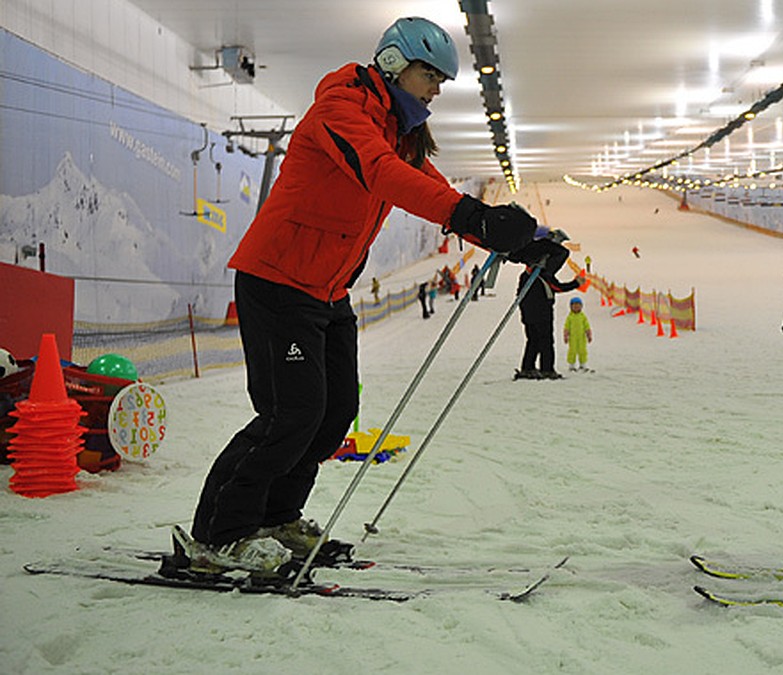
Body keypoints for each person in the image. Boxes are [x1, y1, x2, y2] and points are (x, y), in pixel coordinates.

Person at [180, 16, 568, 576]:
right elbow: (384, 175)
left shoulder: (396, 130)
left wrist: (524, 239)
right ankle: (224, 531)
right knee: (290, 414)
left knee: (334, 414)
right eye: (429, 76)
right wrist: (473, 216)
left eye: (440, 80)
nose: (435, 90)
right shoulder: (339, 112)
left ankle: (278, 516)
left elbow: (432, 186)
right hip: (277, 280)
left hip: (328, 290)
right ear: (393, 64)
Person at [515, 264, 582, 380]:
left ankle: (527, 367)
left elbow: (519, 295)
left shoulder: (524, 276)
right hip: (542, 314)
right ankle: (547, 369)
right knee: (546, 342)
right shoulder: (543, 274)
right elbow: (557, 287)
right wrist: (576, 283)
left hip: (528, 315)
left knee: (533, 341)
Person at [563, 296, 592, 372]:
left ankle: (583, 364)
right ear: (571, 307)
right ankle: (571, 365)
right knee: (572, 351)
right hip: (572, 338)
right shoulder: (569, 317)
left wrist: (589, 335)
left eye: (578, 305)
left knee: (583, 351)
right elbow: (566, 327)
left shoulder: (583, 317)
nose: (576, 307)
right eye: (574, 305)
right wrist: (566, 336)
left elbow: (587, 326)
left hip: (582, 338)